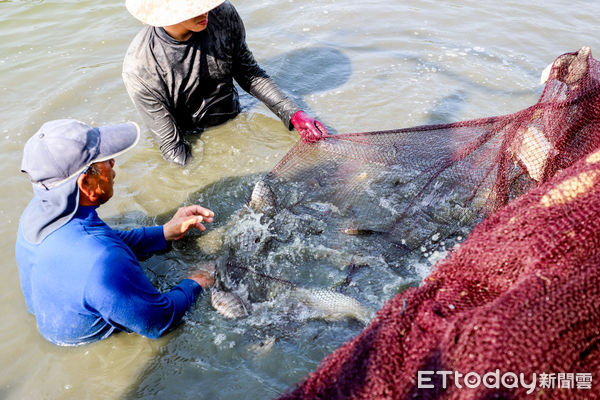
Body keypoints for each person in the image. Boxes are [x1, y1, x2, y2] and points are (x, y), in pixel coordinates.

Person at [15, 119, 216, 346]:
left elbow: (102, 241)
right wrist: (197, 281)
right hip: (92, 346)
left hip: (56, 318)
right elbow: (159, 321)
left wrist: (163, 233)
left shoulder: (37, 211)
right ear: (87, 185)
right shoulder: (102, 259)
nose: (112, 162)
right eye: (104, 161)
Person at [123, 0, 329, 166]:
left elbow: (250, 74)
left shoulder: (222, 14)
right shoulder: (141, 68)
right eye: (195, 7)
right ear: (165, 12)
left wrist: (293, 113)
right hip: (193, 136)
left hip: (235, 115)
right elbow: (173, 149)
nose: (206, 11)